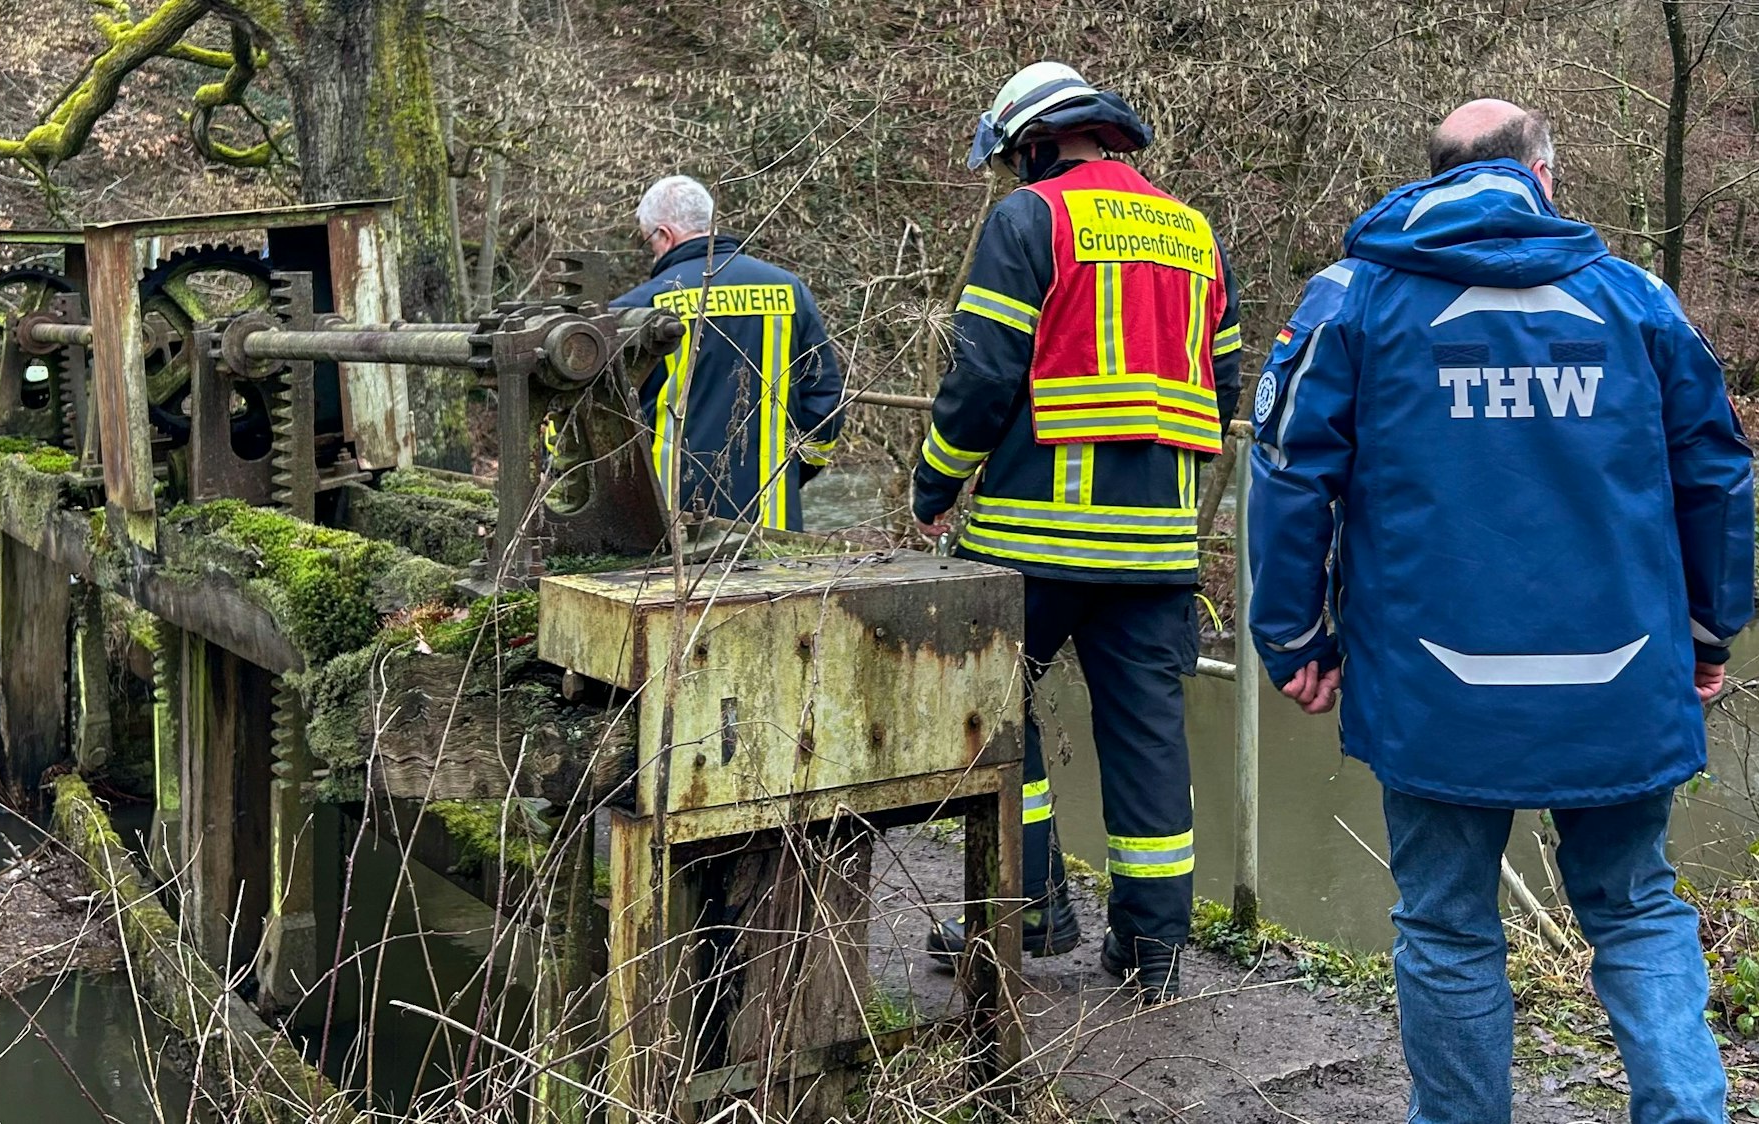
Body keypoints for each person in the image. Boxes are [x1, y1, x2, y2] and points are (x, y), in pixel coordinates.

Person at [1247, 99, 1752, 1123]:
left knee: (1445, 924)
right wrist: (1708, 628)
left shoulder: (1356, 298)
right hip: (1618, 677)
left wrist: (1292, 634)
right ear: (1544, 176)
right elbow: (1717, 471)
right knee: (1638, 907)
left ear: (1433, 175)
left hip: (1437, 684)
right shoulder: (1637, 299)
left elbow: (1288, 468)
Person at [912, 61, 1243, 1003]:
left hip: (1033, 540)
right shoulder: (1193, 233)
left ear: (1036, 144)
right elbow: (1221, 383)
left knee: (991, 717)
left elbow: (983, 375)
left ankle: (1030, 910)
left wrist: (934, 478)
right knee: (1149, 742)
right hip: (1158, 551)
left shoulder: (1031, 220)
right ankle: (1155, 950)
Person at [611, 175, 845, 532]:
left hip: (667, 527)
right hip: (772, 520)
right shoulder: (789, 290)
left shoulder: (640, 307)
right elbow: (825, 404)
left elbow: (603, 422)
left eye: (650, 242)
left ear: (665, 235)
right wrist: (791, 473)